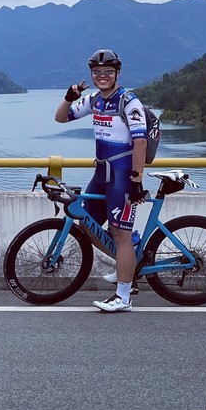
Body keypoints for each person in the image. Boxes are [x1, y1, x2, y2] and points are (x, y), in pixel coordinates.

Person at [55, 49, 148, 313]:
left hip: (122, 175)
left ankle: (124, 295)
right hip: (102, 174)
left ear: (118, 73)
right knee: (86, 223)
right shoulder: (94, 100)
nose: (102, 76)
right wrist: (68, 98)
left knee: (120, 234)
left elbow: (139, 141)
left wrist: (136, 179)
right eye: (97, 72)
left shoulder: (128, 102)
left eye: (108, 72)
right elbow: (61, 117)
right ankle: (131, 259)